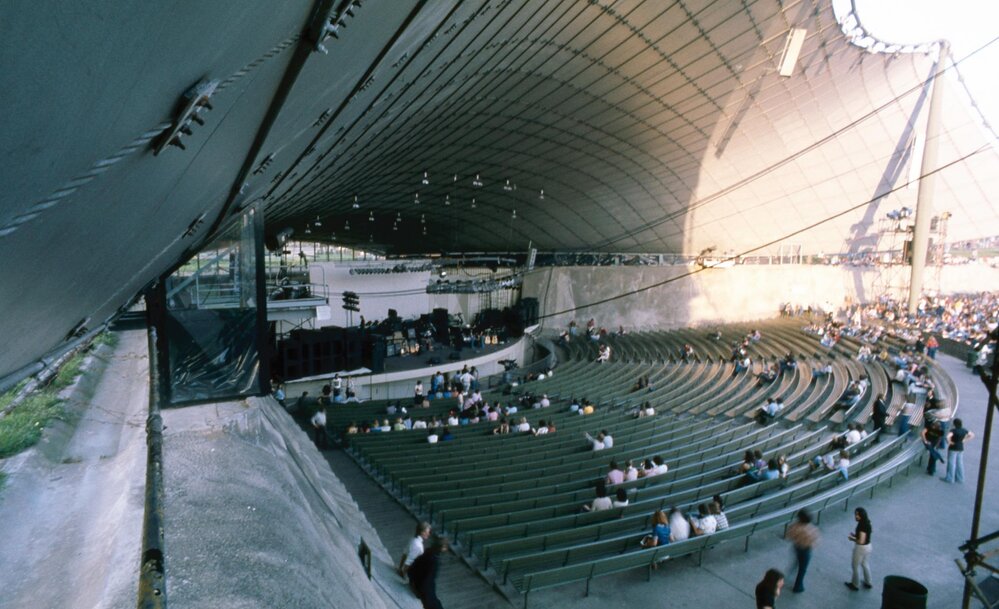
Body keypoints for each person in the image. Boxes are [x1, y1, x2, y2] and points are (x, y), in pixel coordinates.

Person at [408, 536, 448, 609]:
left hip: (417, 581)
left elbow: (414, 566)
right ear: (441, 548)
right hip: (422, 587)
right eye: (445, 547)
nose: (445, 549)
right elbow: (428, 579)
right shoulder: (434, 560)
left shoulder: (428, 552)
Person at [785, 509, 820, 593]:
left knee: (796, 562)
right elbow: (815, 541)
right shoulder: (811, 529)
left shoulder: (795, 526)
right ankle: (798, 586)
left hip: (797, 547)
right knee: (802, 569)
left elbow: (789, 535)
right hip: (806, 550)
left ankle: (788, 576)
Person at [845, 507, 873, 591]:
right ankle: (868, 582)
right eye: (855, 514)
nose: (856, 516)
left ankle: (855, 584)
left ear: (861, 515)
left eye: (857, 514)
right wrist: (855, 535)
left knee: (855, 566)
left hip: (861, 548)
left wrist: (852, 538)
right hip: (868, 546)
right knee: (865, 564)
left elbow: (861, 541)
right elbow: (865, 535)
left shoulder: (862, 525)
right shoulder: (867, 522)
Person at [942, 418, 975, 483]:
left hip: (953, 448)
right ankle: (960, 478)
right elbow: (972, 435)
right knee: (960, 463)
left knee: (951, 463)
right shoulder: (964, 430)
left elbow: (947, 437)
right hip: (961, 448)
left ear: (954, 424)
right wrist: (964, 440)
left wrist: (949, 442)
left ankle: (950, 478)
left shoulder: (953, 431)